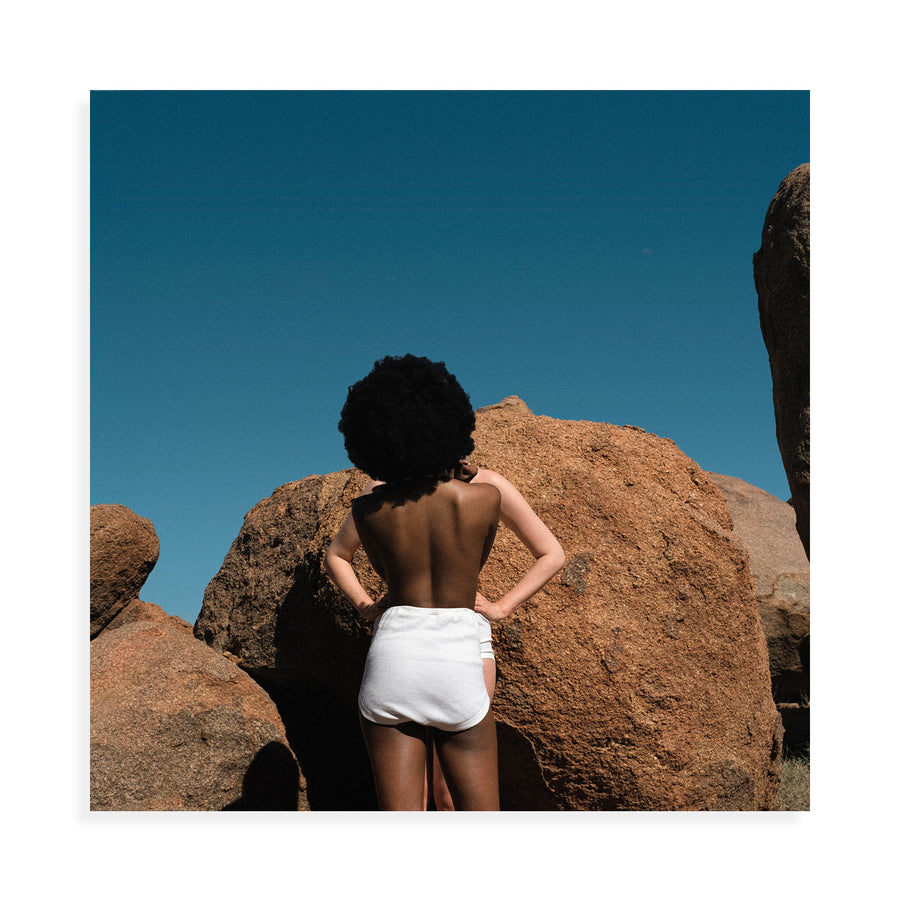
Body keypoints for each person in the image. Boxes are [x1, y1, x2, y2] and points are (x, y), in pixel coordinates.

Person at [324, 355, 564, 810]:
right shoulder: (485, 495)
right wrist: (500, 607)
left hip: (394, 654)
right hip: (459, 653)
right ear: (449, 421)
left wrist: (365, 606)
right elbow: (551, 553)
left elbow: (336, 556)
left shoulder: (369, 506)